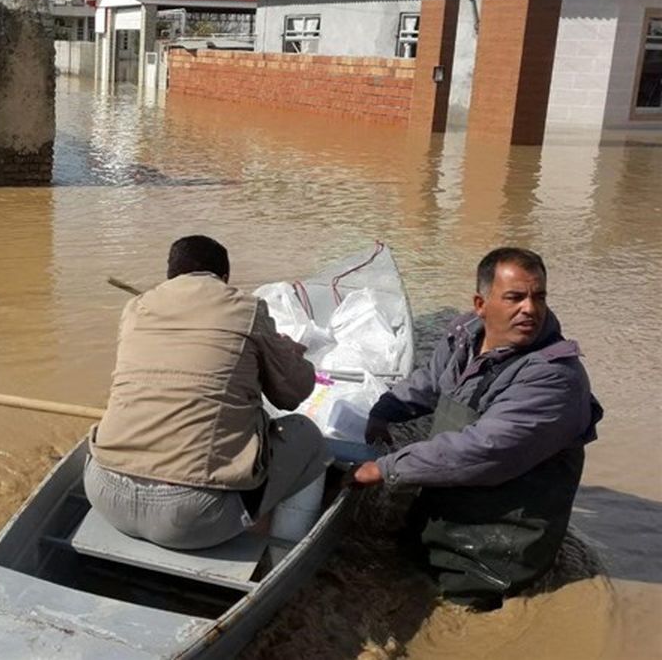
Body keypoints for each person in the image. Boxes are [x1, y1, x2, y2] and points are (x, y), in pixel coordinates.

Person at [352, 247, 601, 610]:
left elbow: (482, 450)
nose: (529, 309)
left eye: (538, 297)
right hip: (449, 510)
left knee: (462, 609)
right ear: (481, 304)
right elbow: (431, 380)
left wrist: (385, 467)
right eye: (515, 297)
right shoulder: (466, 335)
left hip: (497, 550)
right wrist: (385, 410)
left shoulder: (553, 378)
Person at [84, 235, 329, 551]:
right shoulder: (247, 309)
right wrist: (289, 353)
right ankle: (280, 551)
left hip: (103, 490)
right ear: (224, 279)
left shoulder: (136, 309)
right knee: (308, 436)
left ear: (170, 276)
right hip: (189, 516)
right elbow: (292, 394)